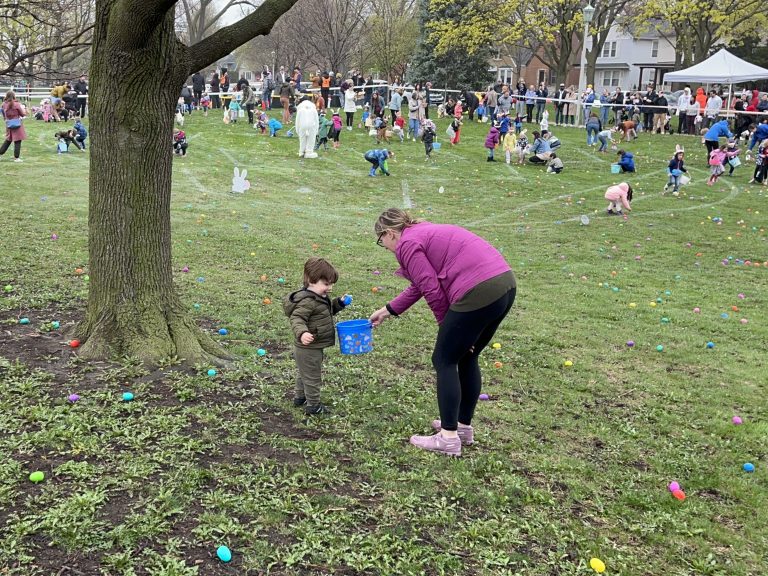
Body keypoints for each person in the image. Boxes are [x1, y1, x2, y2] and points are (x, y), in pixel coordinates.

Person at [368, 208, 516, 457]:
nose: (385, 248)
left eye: (381, 243)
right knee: (467, 356)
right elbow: (421, 282)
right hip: (504, 284)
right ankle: (462, 427)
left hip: (477, 289)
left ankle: (448, 439)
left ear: (390, 233)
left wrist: (445, 325)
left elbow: (431, 289)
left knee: (444, 359)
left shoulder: (407, 243)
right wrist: (388, 309)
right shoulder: (422, 233)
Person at [283, 257, 349, 415]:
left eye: (331, 284)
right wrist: (302, 332)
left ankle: (300, 397)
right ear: (312, 280)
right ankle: (313, 406)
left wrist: (338, 303)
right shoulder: (307, 301)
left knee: (304, 372)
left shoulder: (319, 297)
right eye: (326, 284)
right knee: (312, 376)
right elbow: (297, 318)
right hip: (308, 346)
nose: (330, 288)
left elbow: (324, 313)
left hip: (313, 345)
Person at [0, 91, 27, 162]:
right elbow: (22, 114)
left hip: (8, 124)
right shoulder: (17, 104)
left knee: (8, 140)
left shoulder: (3, 104)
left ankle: (0, 153)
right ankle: (16, 158)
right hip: (17, 124)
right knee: (18, 140)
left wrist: (6, 119)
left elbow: (2, 113)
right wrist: (25, 112)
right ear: (14, 96)